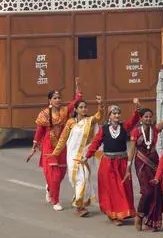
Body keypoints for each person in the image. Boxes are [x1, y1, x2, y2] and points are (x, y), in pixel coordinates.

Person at [28, 83, 81, 211]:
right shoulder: (44, 114)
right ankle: (55, 200)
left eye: (59, 98)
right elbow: (39, 131)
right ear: (50, 100)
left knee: (61, 173)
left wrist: (78, 93)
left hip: (62, 145)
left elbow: (75, 103)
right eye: (55, 98)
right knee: (54, 175)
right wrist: (34, 146)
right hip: (48, 146)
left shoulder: (64, 111)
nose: (57, 100)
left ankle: (49, 188)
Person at [126, 97, 163, 232]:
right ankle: (139, 215)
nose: (148, 119)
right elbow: (132, 150)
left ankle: (152, 221)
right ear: (141, 118)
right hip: (141, 163)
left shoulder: (155, 129)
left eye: (150, 117)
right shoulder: (136, 131)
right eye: (145, 117)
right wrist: (128, 167)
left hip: (154, 162)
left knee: (157, 191)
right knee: (147, 191)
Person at [85, 105, 134, 224]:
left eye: (118, 113)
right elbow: (96, 143)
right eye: (114, 113)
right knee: (112, 190)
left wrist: (137, 109)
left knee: (123, 188)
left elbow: (134, 120)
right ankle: (113, 215)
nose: (117, 115)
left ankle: (123, 212)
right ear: (109, 116)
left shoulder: (124, 127)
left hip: (122, 163)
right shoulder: (104, 129)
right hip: (108, 163)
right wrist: (87, 156)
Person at [59, 94, 102, 217]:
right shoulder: (71, 122)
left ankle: (80, 205)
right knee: (78, 179)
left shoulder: (89, 121)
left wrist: (100, 105)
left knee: (84, 178)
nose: (84, 109)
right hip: (73, 155)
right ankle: (80, 203)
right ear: (76, 109)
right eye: (81, 107)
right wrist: (55, 153)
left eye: (85, 107)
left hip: (85, 156)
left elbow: (98, 117)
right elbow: (63, 139)